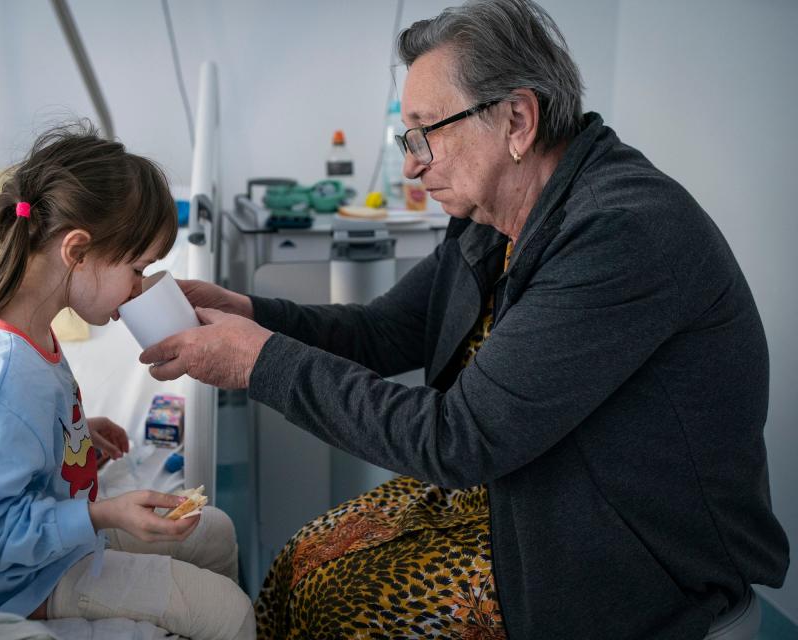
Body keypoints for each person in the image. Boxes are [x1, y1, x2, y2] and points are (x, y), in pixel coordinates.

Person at [141, 1, 792, 638]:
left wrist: (258, 362)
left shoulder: (619, 234)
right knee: (297, 563)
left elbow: (456, 439)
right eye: (407, 137)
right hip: (525, 492)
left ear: (516, 120)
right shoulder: (491, 220)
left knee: (332, 604)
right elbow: (382, 330)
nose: (411, 166)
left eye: (427, 132)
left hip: (623, 551)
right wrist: (250, 312)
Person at [0, 125, 255, 640]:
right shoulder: (7, 374)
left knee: (216, 530)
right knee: (225, 611)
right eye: (137, 269)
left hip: (53, 543)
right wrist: (99, 514)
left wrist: (71, 433)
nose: (139, 289)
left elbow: (1, 439)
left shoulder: (19, 325)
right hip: (13, 582)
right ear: (77, 251)